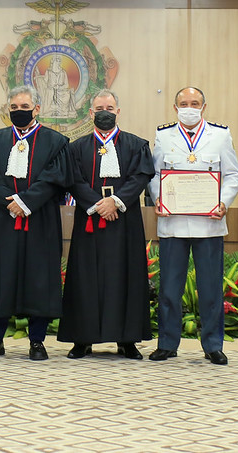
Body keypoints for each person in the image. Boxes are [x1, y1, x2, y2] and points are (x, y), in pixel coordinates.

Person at [147, 87, 238, 365]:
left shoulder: (220, 135)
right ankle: (167, 343)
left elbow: (233, 175)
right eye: (184, 103)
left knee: (210, 288)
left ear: (204, 106)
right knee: (169, 289)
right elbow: (154, 175)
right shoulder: (163, 135)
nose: (190, 107)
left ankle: (213, 345)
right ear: (175, 108)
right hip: (172, 223)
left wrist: (223, 202)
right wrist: (160, 198)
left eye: (195, 103)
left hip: (209, 224)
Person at [0, 85, 71, 361]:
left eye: (24, 107)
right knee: (2, 276)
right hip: (4, 219)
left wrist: (27, 201)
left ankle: (37, 341)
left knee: (39, 278)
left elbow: (56, 178)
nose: (19, 112)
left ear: (37, 109)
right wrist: (10, 202)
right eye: (14, 108)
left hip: (41, 220)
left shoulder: (56, 142)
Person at [58, 89, 154, 359]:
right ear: (90, 113)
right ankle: (82, 339)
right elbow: (73, 179)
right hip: (89, 219)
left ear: (118, 112)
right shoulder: (75, 147)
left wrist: (116, 202)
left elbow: (140, 177)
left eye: (109, 108)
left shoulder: (137, 145)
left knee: (126, 277)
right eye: (99, 108)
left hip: (125, 221)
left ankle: (127, 340)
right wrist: (98, 205)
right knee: (85, 279)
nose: (104, 113)